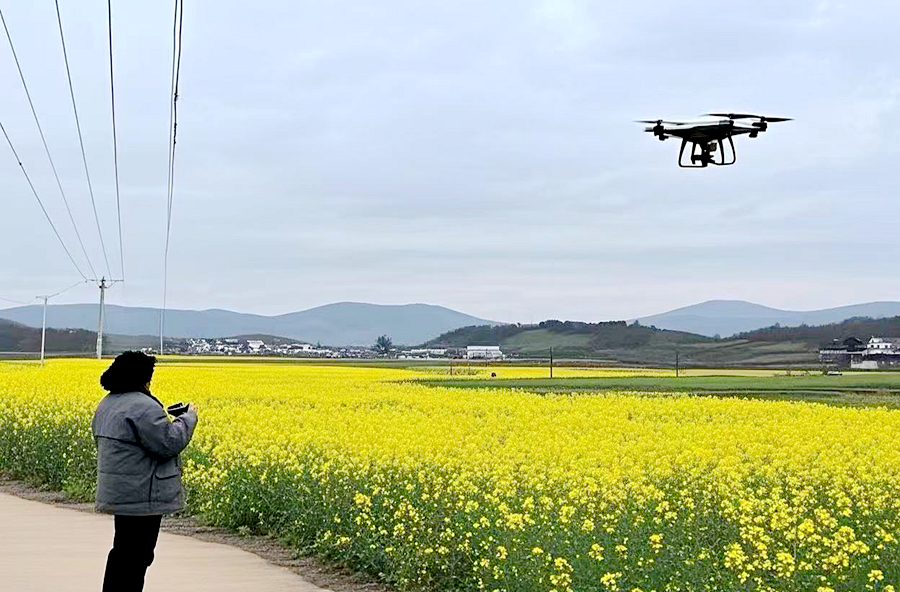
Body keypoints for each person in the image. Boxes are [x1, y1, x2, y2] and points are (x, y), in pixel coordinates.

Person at [92, 351, 199, 592]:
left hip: (120, 493)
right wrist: (188, 418)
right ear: (142, 378)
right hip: (143, 494)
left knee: (123, 553)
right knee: (137, 557)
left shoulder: (107, 403)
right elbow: (168, 443)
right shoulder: (143, 407)